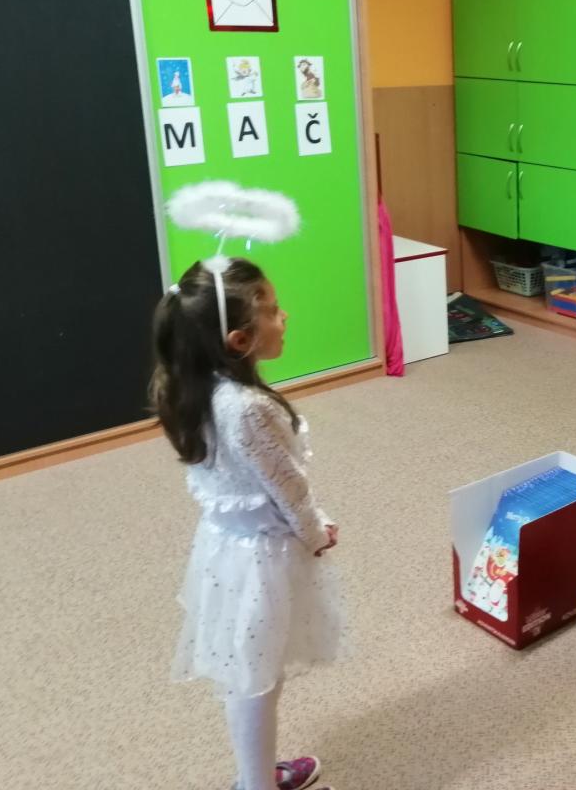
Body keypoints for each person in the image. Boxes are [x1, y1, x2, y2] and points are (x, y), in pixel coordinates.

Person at [153, 257, 341, 790]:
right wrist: (317, 534)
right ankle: (257, 783)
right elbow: (288, 488)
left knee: (247, 671)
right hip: (262, 559)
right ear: (239, 340)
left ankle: (253, 775)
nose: (286, 317)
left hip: (225, 548)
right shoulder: (249, 409)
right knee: (259, 679)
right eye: (275, 311)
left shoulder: (195, 387)